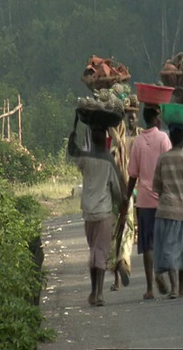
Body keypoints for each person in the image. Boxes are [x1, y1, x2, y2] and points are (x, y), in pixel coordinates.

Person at [67, 123, 124, 306]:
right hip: (104, 211)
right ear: (105, 139)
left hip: (88, 213)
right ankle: (99, 293)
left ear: (92, 139)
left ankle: (93, 292)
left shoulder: (86, 158)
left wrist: (73, 135)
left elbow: (73, 153)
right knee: (100, 252)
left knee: (93, 250)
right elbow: (115, 188)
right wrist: (121, 203)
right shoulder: (108, 160)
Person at [121, 105, 172, 300]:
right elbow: (167, 167)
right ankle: (162, 272)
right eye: (159, 116)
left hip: (144, 202)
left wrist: (127, 197)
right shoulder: (164, 139)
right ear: (156, 118)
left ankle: (150, 288)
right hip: (162, 200)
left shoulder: (139, 142)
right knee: (163, 242)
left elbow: (132, 174)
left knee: (148, 246)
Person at [152, 124, 183, 298]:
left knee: (169, 247)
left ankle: (179, 286)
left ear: (171, 140)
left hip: (165, 210)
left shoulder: (162, 159)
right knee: (180, 249)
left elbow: (157, 187)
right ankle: (176, 287)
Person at [107, 120, 135, 291]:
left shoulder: (108, 146)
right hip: (127, 191)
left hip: (111, 195)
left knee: (113, 234)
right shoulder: (130, 142)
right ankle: (123, 259)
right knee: (127, 231)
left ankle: (116, 280)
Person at [124, 110, 143, 245]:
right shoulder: (122, 134)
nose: (130, 121)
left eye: (132, 118)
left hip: (139, 173)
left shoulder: (141, 134)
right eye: (128, 118)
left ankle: (137, 231)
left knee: (138, 205)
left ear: (137, 119)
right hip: (126, 172)